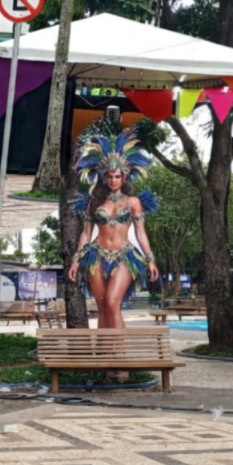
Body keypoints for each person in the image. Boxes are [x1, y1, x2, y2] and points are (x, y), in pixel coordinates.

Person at [67, 129, 159, 355]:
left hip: (125, 256)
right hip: (96, 255)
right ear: (103, 176)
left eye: (117, 176)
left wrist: (150, 260)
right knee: (101, 307)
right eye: (109, 176)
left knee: (111, 302)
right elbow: (86, 234)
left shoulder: (134, 202)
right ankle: (105, 359)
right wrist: (76, 260)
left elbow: (140, 233)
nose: (113, 180)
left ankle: (120, 358)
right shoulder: (94, 202)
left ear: (124, 176)